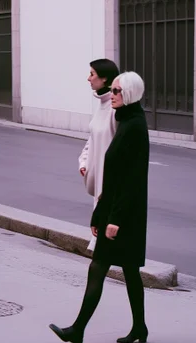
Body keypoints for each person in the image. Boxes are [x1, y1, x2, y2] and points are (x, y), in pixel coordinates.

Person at [49, 71, 150, 343]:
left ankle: (77, 330)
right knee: (129, 270)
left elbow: (130, 179)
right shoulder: (125, 119)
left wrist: (113, 219)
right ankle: (139, 327)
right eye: (113, 89)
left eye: (116, 91)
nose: (112, 94)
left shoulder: (134, 127)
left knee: (98, 267)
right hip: (118, 208)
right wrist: (98, 213)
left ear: (128, 94)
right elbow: (113, 175)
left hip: (123, 213)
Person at [78, 59, 119, 251]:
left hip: (110, 182)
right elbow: (92, 138)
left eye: (92, 74)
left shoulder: (114, 108)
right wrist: (84, 161)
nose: (88, 78)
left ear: (104, 79)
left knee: (102, 254)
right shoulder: (101, 105)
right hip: (100, 180)